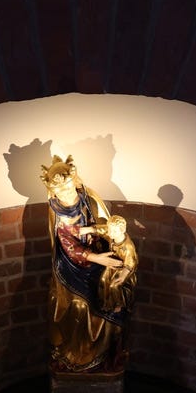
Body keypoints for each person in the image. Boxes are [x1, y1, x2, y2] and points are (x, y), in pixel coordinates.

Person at [40, 155, 131, 372]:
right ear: (53, 191)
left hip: (98, 255)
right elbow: (66, 243)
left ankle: (103, 353)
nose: (66, 194)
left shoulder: (89, 199)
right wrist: (95, 258)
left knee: (110, 291)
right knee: (78, 306)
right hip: (69, 266)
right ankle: (75, 355)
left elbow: (108, 228)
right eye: (60, 191)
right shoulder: (55, 209)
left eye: (68, 188)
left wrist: (108, 248)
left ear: (75, 181)